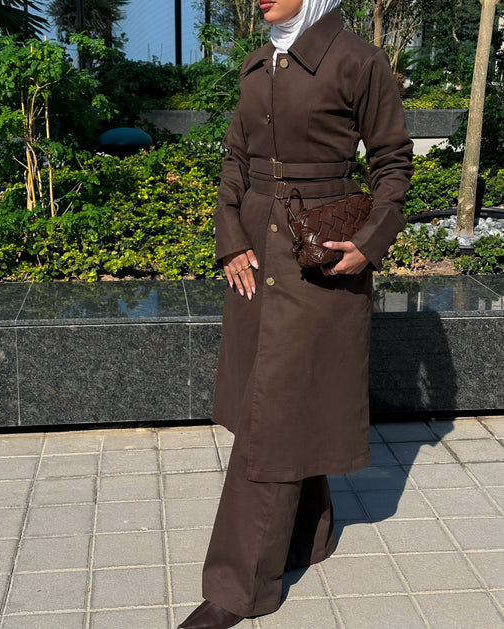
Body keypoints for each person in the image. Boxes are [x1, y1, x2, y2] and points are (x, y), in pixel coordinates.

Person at [178, 1, 413, 627]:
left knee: (275, 410)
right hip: (257, 247)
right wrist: (230, 235)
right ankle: (311, 532)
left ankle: (238, 587)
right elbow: (235, 159)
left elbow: (392, 162)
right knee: (272, 397)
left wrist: (371, 241)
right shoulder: (258, 63)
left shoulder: (360, 60)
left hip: (319, 252)